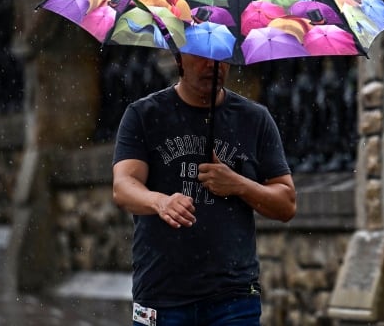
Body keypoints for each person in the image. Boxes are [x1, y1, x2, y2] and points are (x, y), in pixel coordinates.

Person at [112, 53, 297, 326]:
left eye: (222, 57)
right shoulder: (144, 114)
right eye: (201, 56)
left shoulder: (254, 119)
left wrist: (238, 184)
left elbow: (286, 204)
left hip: (234, 298)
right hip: (161, 295)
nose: (213, 65)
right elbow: (123, 186)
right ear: (178, 59)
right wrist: (160, 202)